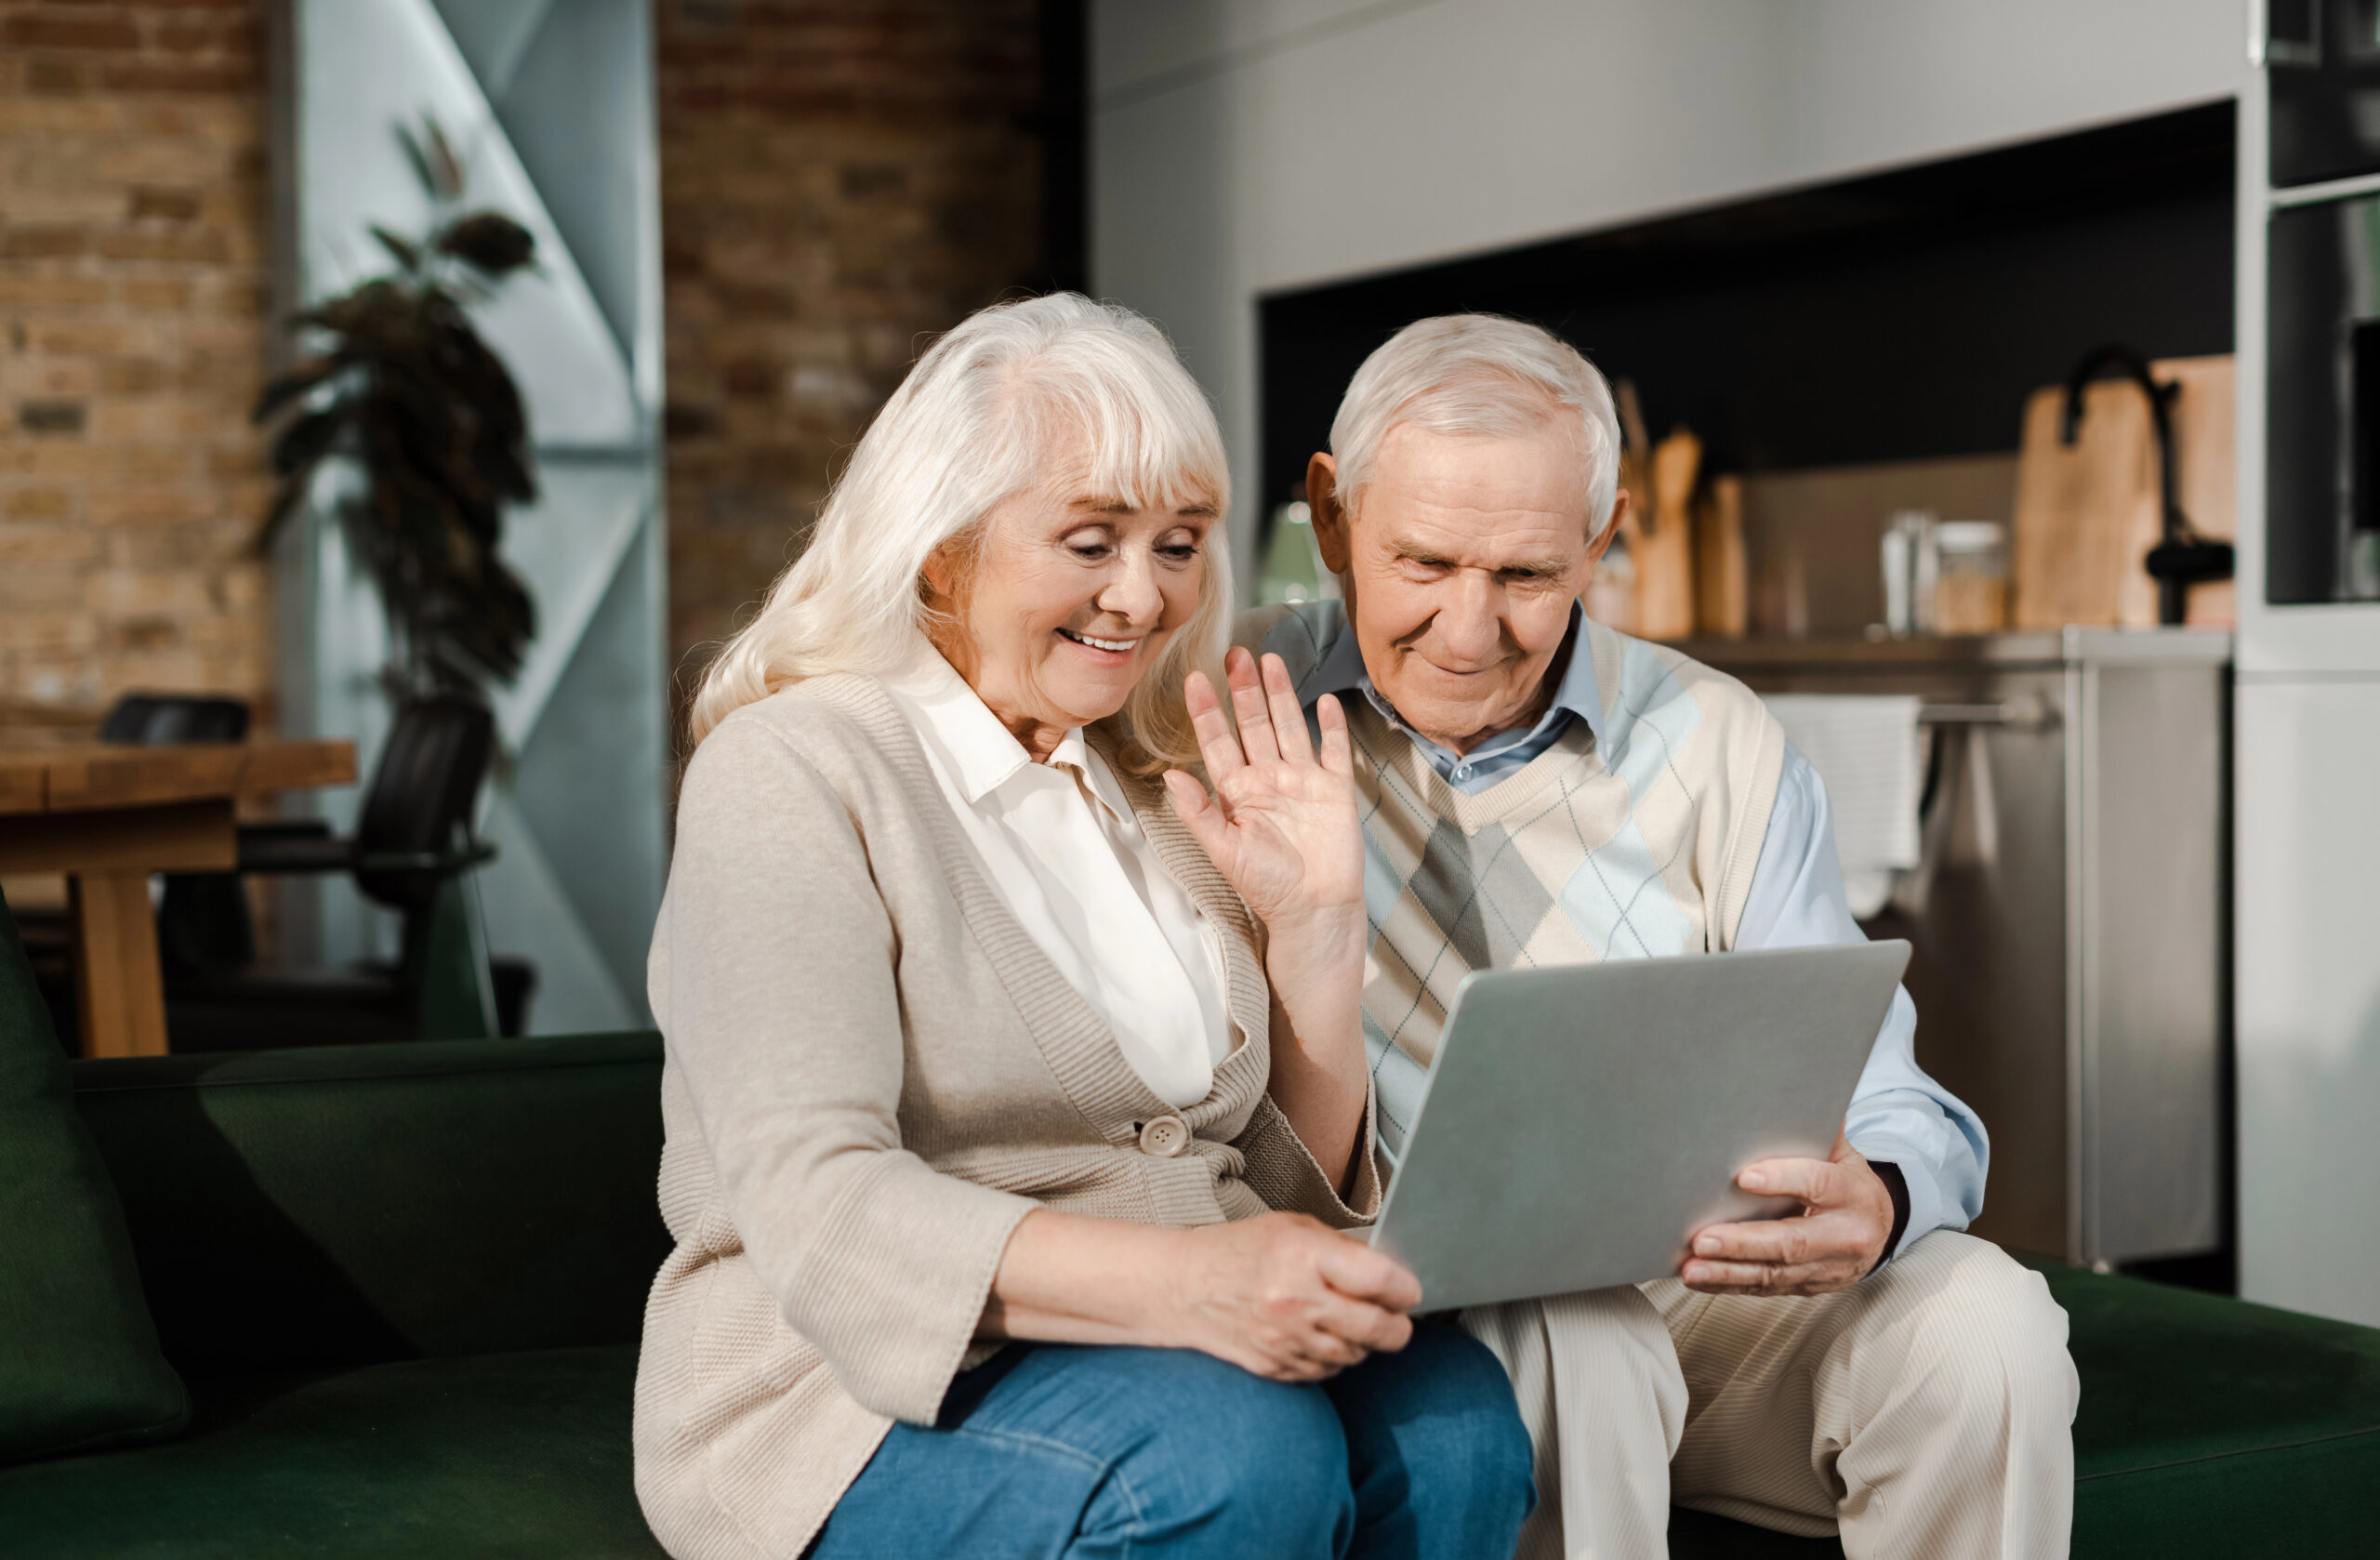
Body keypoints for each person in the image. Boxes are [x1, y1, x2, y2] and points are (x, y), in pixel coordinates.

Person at [633, 294, 1535, 1560]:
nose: (1142, 597)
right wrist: (1198, 1288)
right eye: (1091, 540)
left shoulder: (1151, 780)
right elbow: (818, 1207)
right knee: (1230, 1453)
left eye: (1178, 544)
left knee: (1455, 1422)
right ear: (942, 546)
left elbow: (1271, 1198)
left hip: (1173, 1357)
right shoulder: (794, 771)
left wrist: (1321, 930)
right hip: (848, 1401)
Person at [1239, 314, 2081, 1560]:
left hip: (1707, 1287)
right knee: (1578, 1331)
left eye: (1527, 576)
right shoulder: (1227, 702)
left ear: (1604, 536)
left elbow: (1890, 1096)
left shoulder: (1715, 737)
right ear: (1330, 514)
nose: (1470, 634)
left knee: (1990, 1326)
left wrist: (1884, 1195)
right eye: (1422, 565)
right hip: (1430, 1305)